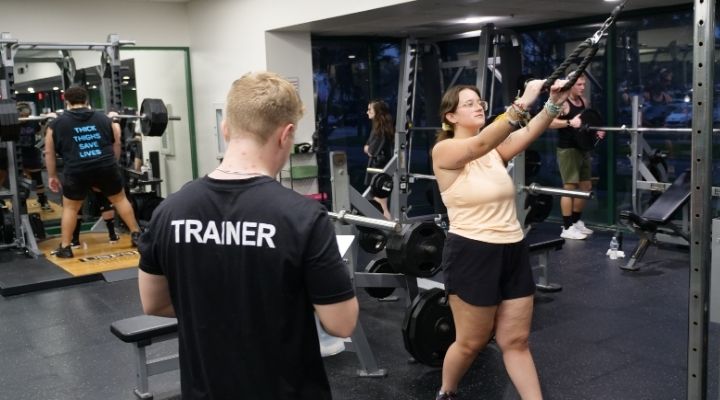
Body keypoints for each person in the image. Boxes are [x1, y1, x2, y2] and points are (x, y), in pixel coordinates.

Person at [137, 71, 358, 400]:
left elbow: (153, 302)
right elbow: (341, 324)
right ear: (286, 135)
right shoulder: (303, 217)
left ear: (226, 129)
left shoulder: (170, 210)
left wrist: (217, 310)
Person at [432, 79, 572, 400]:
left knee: (516, 341)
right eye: (468, 103)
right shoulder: (445, 150)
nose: (478, 106)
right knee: (471, 343)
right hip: (472, 253)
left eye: (479, 101)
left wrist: (551, 102)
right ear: (451, 117)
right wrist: (524, 100)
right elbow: (477, 146)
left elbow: (526, 133)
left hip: (512, 249)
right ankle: (447, 391)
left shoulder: (494, 151)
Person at [44, 85, 142, 258]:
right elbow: (117, 142)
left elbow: (49, 152)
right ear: (87, 101)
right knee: (120, 199)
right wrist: (114, 163)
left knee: (71, 208)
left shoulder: (55, 124)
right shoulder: (104, 119)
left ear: (66, 102)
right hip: (105, 166)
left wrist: (52, 175)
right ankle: (137, 235)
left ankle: (66, 247)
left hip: (77, 170)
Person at [548, 74, 605, 240]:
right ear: (571, 85)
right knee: (570, 188)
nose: (582, 87)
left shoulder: (584, 102)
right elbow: (549, 122)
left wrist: (597, 132)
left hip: (583, 149)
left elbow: (588, 123)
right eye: (579, 84)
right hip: (568, 150)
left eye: (583, 84)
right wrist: (568, 122)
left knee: (586, 188)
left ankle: (575, 221)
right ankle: (566, 227)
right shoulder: (563, 103)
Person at [17, 105, 52, 211]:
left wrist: (44, 121)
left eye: (26, 115)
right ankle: (21, 203)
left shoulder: (32, 122)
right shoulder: (13, 123)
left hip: (32, 153)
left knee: (37, 179)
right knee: (21, 180)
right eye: (21, 115)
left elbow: (39, 132)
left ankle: (42, 201)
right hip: (18, 154)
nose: (24, 117)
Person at [363, 99, 394, 220]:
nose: (367, 112)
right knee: (379, 203)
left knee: (381, 205)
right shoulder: (379, 128)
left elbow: (371, 150)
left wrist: (367, 148)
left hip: (379, 171)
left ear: (377, 111)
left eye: (370, 109)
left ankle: (388, 228)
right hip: (377, 170)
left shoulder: (380, 130)